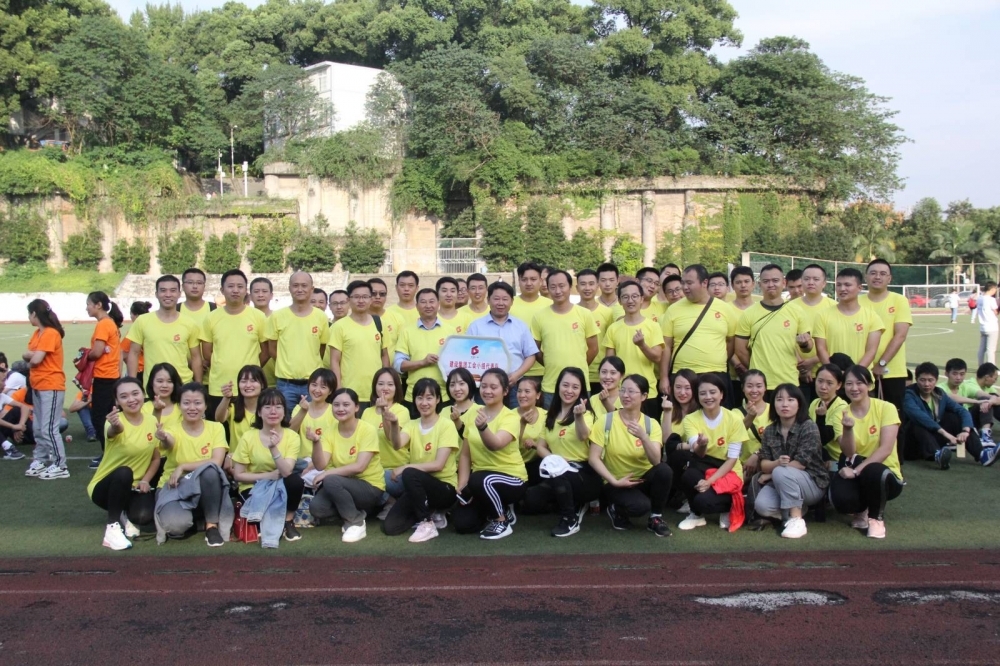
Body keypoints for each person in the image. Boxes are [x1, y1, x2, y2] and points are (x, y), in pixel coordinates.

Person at [588, 374, 673, 536]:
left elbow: (656, 460)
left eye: (631, 391)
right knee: (640, 507)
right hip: (616, 481)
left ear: (644, 396)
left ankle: (655, 518)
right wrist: (614, 481)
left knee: (664, 470)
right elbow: (593, 458)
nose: (625, 395)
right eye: (623, 390)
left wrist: (644, 437)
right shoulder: (605, 421)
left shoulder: (651, 424)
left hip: (643, 479)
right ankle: (615, 509)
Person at [524, 367, 602, 537]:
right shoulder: (551, 416)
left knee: (559, 474)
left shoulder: (586, 413)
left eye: (575, 387)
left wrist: (579, 416)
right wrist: (555, 460)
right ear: (558, 386)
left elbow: (583, 436)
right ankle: (572, 502)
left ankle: (570, 520)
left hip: (584, 474)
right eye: (565, 385)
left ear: (581, 390)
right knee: (531, 500)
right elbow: (541, 447)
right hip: (558, 471)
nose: (569, 390)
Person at [381, 377, 462, 542]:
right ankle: (428, 512)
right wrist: (394, 424)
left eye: (429, 398)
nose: (424, 403)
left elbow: (438, 465)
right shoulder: (412, 424)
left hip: (444, 488)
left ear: (438, 400)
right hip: (418, 488)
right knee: (391, 527)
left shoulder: (446, 425)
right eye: (420, 398)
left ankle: (427, 523)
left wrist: (405, 467)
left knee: (410, 472)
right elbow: (397, 444)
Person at [452, 368, 527, 540]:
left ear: (505, 391)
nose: (487, 391)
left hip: (512, 479)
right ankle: (499, 508)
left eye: (493, 387)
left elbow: (496, 445)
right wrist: (462, 484)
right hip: (481, 482)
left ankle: (501, 521)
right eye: (484, 386)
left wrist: (483, 428)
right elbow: (465, 454)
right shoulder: (473, 414)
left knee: (480, 479)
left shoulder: (510, 417)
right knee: (463, 524)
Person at [829, 365, 903, 539]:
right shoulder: (840, 413)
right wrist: (848, 429)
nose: (854, 388)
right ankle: (861, 509)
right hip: (855, 469)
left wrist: (856, 471)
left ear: (870, 385)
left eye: (859, 383)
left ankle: (876, 519)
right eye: (849, 384)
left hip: (884, 473)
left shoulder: (886, 408)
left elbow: (886, 449)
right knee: (841, 500)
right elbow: (848, 452)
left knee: (874, 470)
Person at [153, 382, 231, 547]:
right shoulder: (172, 429)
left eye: (197, 403)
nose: (192, 408)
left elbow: (217, 461)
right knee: (176, 526)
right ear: (179, 405)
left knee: (210, 471)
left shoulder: (216, 428)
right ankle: (197, 519)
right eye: (186, 403)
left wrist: (183, 466)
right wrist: (163, 437)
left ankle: (211, 525)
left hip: (204, 486)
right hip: (175, 486)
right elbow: (169, 441)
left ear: (205, 406)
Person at [87, 377, 160, 550]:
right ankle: (112, 529)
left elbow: (155, 458)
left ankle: (123, 513)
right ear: (117, 401)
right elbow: (114, 430)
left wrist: (145, 480)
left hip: (134, 488)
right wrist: (115, 425)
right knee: (124, 472)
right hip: (105, 487)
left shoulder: (152, 421)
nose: (131, 399)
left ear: (143, 394)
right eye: (124, 396)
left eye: (135, 393)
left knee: (143, 517)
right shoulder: (113, 421)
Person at [307, 388, 385, 543]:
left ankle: (356, 521)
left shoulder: (367, 430)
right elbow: (320, 464)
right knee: (317, 508)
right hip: (342, 485)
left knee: (330, 480)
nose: (340, 409)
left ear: (356, 407)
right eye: (336, 405)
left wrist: (327, 473)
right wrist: (316, 442)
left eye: (346, 404)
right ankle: (355, 512)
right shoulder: (329, 432)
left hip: (369, 486)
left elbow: (360, 467)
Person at [753, 383, 829, 539]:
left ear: (799, 404)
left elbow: (800, 464)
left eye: (790, 399)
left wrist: (772, 474)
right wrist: (776, 465)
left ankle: (796, 519)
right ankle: (799, 507)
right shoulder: (770, 430)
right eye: (779, 399)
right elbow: (764, 465)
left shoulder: (808, 427)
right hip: (782, 481)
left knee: (781, 472)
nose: (784, 404)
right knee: (762, 506)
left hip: (813, 482)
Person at [231, 388, 306, 545]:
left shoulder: (292, 436)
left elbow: (287, 471)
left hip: (281, 482)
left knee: (296, 482)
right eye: (267, 407)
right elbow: (238, 475)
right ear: (259, 412)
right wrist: (267, 476)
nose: (273, 411)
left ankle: (288, 521)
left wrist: (273, 448)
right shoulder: (248, 437)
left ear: (284, 412)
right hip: (253, 486)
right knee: (261, 519)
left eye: (278, 407)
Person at [677, 374, 749, 531]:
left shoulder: (734, 419)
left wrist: (709, 482)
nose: (708, 397)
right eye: (703, 393)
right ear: (697, 396)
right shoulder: (690, 419)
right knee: (688, 475)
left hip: (728, 470)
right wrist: (702, 445)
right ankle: (696, 515)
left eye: (713, 392)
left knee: (703, 501)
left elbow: (732, 459)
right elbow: (699, 453)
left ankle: (727, 507)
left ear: (721, 394)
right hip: (704, 464)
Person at [659, 265, 737, 406]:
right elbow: (666, 346)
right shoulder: (673, 310)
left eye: (689, 283)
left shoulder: (725, 309)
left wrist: (717, 359)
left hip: (716, 374)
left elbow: (731, 341)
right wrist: (664, 377)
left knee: (717, 417)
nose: (685, 287)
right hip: (683, 376)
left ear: (704, 283)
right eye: (683, 283)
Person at [201, 270, 268, 423]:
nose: (235, 290)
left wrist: (252, 371)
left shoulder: (258, 317)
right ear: (222, 290)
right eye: (230, 286)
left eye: (240, 286)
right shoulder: (211, 318)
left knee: (250, 430)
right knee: (220, 429)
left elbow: (266, 351)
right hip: (219, 386)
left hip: (250, 387)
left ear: (246, 290)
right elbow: (207, 352)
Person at [735, 264, 811, 393]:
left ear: (784, 283)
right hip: (759, 385)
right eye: (766, 281)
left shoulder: (797, 311)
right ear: (760, 285)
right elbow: (740, 350)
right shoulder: (748, 313)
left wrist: (804, 343)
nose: (771, 285)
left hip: (789, 380)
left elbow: (809, 347)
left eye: (775, 280)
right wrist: (756, 370)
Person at [531, 270, 598, 407]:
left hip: (579, 386)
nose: (558, 291)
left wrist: (577, 367)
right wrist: (551, 363)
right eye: (553, 287)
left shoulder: (584, 314)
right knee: (551, 420)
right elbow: (535, 349)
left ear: (570, 287)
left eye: (562, 286)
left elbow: (593, 348)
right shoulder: (539, 316)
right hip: (551, 386)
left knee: (580, 419)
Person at [465, 282, 538, 407]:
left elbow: (531, 355)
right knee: (485, 417)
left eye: (505, 299)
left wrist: (516, 375)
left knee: (515, 417)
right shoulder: (476, 326)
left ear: (512, 302)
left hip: (515, 386)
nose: (500, 303)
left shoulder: (520, 326)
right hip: (485, 388)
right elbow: (467, 356)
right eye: (496, 299)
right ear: (488, 300)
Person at [266, 271, 330, 408]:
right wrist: (287, 364)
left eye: (304, 285)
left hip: (313, 384)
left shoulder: (321, 317)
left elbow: (321, 349)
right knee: (284, 419)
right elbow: (272, 349)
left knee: (312, 419)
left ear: (311, 289)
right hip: (285, 384)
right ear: (289, 288)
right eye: (295, 285)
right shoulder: (277, 316)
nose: (300, 289)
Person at [902, 362, 982, 468]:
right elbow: (920, 417)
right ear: (916, 379)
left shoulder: (939, 393)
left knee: (954, 417)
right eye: (922, 380)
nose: (926, 384)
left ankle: (982, 454)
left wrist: (965, 431)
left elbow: (962, 411)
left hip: (932, 439)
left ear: (936, 380)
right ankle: (937, 454)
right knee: (916, 423)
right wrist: (946, 435)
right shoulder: (908, 395)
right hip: (910, 446)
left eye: (930, 380)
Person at [126, 275, 203, 384]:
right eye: (163, 290)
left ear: (179, 294)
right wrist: (132, 384)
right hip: (153, 385)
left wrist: (198, 385)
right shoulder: (142, 321)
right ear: (156, 294)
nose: (168, 294)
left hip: (182, 384)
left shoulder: (190, 323)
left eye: (173, 290)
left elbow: (196, 357)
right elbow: (134, 353)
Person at [22, 299, 68, 480]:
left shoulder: (50, 333)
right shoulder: (37, 333)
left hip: (51, 385)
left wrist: (30, 356)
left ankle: (60, 465)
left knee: (49, 428)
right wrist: (30, 355)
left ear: (34, 313)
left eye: (29, 314)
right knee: (38, 427)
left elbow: (34, 359)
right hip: (38, 385)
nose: (28, 317)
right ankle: (40, 460)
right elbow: (28, 355)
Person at [603, 281, 664, 417]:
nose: (630, 300)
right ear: (619, 301)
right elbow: (609, 363)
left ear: (642, 299)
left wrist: (642, 345)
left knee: (647, 429)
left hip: (646, 392)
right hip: (621, 392)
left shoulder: (653, 326)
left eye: (635, 296)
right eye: (625, 297)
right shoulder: (613, 328)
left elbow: (657, 357)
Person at [860, 260, 913, 411]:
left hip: (891, 372)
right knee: (863, 415)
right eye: (873, 273)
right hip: (861, 371)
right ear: (866, 277)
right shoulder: (857, 301)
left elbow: (900, 335)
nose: (877, 277)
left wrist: (881, 363)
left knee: (892, 416)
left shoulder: (899, 300)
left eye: (883, 274)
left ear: (889, 278)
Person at [329, 281, 388, 411]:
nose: (361, 300)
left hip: (376, 393)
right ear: (349, 300)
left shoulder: (379, 323)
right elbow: (334, 361)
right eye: (356, 297)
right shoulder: (339, 327)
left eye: (365, 297)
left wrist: (385, 386)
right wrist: (339, 389)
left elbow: (384, 356)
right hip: (350, 393)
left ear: (371, 299)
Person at [814, 268, 884, 369]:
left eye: (847, 285)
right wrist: (835, 373)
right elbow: (821, 349)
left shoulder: (873, 317)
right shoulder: (822, 315)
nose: (842, 289)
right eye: (839, 285)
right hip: (832, 377)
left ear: (859, 288)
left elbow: (871, 351)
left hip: (861, 377)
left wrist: (853, 374)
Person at [361, 368, 411, 508]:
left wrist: (384, 412)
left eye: (390, 384)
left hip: (393, 472)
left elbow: (391, 438)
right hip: (370, 469)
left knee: (364, 480)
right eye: (381, 384)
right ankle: (388, 502)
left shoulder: (402, 411)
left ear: (397, 387)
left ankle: (388, 503)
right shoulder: (367, 412)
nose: (385, 388)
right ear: (374, 386)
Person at [86, 291, 124, 470]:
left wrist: (85, 357)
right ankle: (111, 452)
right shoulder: (110, 323)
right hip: (111, 376)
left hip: (104, 376)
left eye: (88, 304)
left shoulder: (103, 324)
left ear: (98, 305)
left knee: (99, 418)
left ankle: (108, 454)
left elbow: (97, 352)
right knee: (109, 415)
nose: (87, 308)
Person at [789, 264, 834, 401]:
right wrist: (802, 367)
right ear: (802, 281)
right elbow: (786, 339)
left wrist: (813, 361)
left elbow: (835, 341)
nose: (811, 282)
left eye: (816, 279)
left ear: (824, 283)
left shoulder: (834, 307)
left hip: (827, 373)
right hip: (796, 373)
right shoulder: (789, 307)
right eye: (807, 279)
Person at [395, 288, 446, 408]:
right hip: (414, 396)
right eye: (423, 302)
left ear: (438, 304)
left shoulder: (450, 331)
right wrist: (423, 362)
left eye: (432, 301)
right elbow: (398, 365)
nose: (428, 305)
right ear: (416, 306)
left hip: (443, 396)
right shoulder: (407, 331)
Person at [663, 368, 700, 512]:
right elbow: (666, 441)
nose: (682, 392)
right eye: (678, 387)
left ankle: (689, 497)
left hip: (698, 458)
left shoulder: (701, 411)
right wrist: (667, 412)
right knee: (678, 456)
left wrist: (681, 446)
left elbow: (700, 443)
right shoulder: (669, 409)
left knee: (682, 455)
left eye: (687, 388)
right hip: (674, 461)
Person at [511, 262, 552, 382]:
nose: (529, 283)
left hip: (545, 371)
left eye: (533, 279)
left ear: (540, 280)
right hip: (514, 372)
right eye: (524, 279)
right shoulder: (509, 304)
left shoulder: (551, 305)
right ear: (519, 280)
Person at [577, 269, 614, 394]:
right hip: (577, 373)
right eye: (583, 284)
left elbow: (611, 344)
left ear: (597, 286)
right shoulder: (571, 312)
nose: (587, 288)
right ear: (577, 287)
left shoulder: (608, 313)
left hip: (601, 375)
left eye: (591, 284)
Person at [215, 365, 266, 454]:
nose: (248, 385)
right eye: (243, 381)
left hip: (261, 459)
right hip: (236, 459)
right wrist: (226, 398)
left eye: (253, 381)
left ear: (262, 384)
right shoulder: (233, 407)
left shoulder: (270, 409)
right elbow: (219, 418)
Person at [810, 364, 848, 464]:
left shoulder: (842, 407)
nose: (823, 387)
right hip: (818, 454)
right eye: (820, 381)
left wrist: (821, 417)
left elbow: (823, 438)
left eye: (829, 383)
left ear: (838, 385)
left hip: (836, 459)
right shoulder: (814, 403)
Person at [514, 376, 546, 485]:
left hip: (538, 464)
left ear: (538, 395)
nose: (522, 395)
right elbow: (508, 446)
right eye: (519, 391)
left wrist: (535, 445)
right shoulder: (508, 416)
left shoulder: (546, 415)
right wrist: (522, 424)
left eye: (527, 391)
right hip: (515, 466)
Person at [383, 271, 420, 361]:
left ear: (417, 288)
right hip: (393, 366)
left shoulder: (425, 312)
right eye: (402, 285)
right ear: (396, 288)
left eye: (411, 286)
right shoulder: (387, 313)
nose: (406, 289)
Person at [738, 370, 769, 479]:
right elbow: (735, 436)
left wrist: (757, 454)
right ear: (743, 388)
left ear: (765, 388)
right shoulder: (735, 413)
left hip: (769, 463)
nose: (754, 390)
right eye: (749, 386)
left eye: (759, 386)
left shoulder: (774, 410)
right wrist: (750, 417)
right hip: (743, 466)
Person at [250, 277, 277, 387]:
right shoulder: (245, 318)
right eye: (256, 291)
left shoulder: (278, 318)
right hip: (250, 380)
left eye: (264, 291)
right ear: (250, 296)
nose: (260, 295)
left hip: (277, 378)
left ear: (271, 295)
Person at [121, 300, 151, 385]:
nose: (130, 316)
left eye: (131, 314)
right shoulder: (152, 329)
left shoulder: (134, 332)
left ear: (136, 316)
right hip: (151, 370)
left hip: (138, 371)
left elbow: (122, 353)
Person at [589, 356, 625, 424]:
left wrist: (606, 402)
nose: (607, 377)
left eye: (613, 373)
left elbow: (621, 424)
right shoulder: (593, 399)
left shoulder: (626, 398)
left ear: (621, 376)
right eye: (604, 372)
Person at [974, 282, 998, 366]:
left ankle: (980, 366)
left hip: (983, 326)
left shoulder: (980, 298)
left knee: (982, 349)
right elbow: (995, 312)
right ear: (992, 289)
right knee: (991, 350)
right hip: (992, 326)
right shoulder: (991, 300)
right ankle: (991, 369)